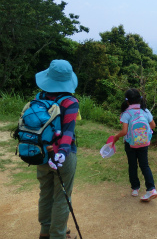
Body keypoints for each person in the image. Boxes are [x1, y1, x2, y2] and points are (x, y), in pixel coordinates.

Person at [35, 59, 80, 239]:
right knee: (62, 196)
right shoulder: (70, 102)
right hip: (62, 156)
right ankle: (58, 235)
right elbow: (68, 131)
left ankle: (45, 231)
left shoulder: (40, 97)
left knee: (45, 192)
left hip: (41, 152)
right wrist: (62, 152)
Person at [112, 88, 157, 201]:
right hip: (144, 143)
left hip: (130, 144)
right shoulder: (145, 111)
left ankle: (135, 189)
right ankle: (151, 189)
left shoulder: (126, 113)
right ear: (140, 99)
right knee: (144, 165)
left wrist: (116, 137)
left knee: (132, 165)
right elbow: (153, 125)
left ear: (127, 101)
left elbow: (124, 132)